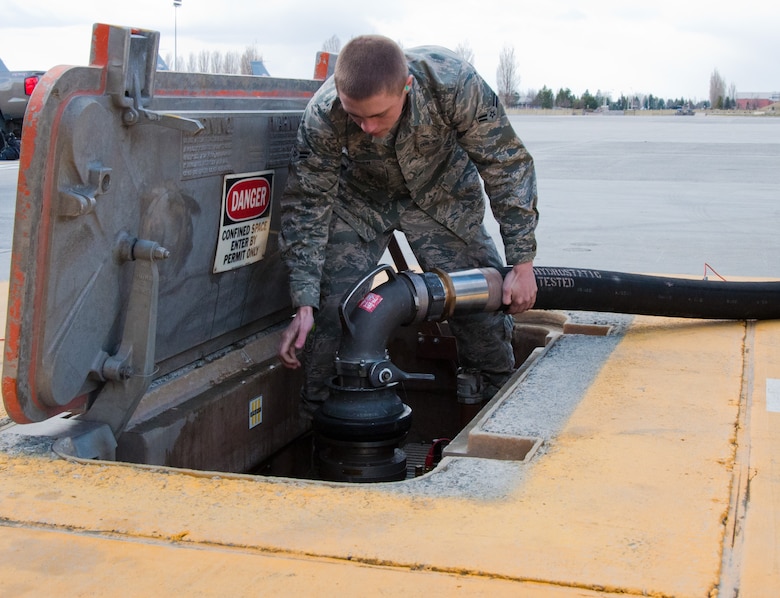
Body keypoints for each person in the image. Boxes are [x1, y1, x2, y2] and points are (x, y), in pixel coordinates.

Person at [277, 34, 538, 412]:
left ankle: (493, 406)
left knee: (482, 311)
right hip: (361, 202)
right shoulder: (323, 113)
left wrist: (522, 261)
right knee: (331, 317)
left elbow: (505, 164)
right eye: (356, 117)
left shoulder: (453, 84)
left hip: (441, 197)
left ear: (407, 87)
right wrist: (303, 303)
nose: (366, 127)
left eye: (379, 114)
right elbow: (307, 203)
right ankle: (322, 417)